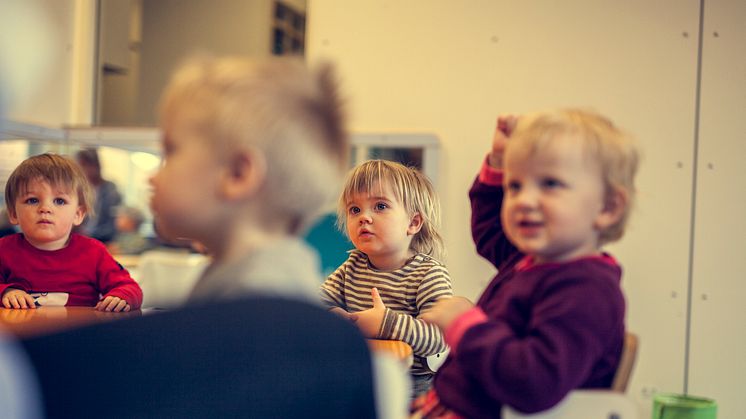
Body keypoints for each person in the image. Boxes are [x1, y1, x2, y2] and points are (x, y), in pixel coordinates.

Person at [414, 109, 640, 418]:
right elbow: (491, 231)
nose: (524, 200)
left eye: (549, 183)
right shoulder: (532, 261)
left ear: (608, 207)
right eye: (515, 185)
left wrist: (464, 326)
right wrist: (497, 163)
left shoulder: (587, 289)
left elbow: (534, 383)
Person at [320, 159, 453, 398]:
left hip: (412, 389)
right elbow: (314, 304)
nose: (364, 217)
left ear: (413, 223)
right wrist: (332, 316)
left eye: (380, 206)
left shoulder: (428, 274)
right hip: (361, 377)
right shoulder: (353, 266)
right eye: (355, 209)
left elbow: (438, 338)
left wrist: (385, 323)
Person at [0, 153, 142, 312]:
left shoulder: (94, 252)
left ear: (78, 214)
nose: (45, 208)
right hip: (21, 334)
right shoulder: (3, 250)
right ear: (13, 213)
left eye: (59, 201)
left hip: (78, 335)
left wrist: (120, 296)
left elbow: (129, 287)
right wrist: (6, 291)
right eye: (32, 200)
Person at [75, 148, 122, 243]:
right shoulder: (78, 189)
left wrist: (91, 234)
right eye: (80, 165)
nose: (83, 170)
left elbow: (114, 222)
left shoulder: (110, 190)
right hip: (82, 239)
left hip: (105, 240)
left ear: (96, 166)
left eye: (85, 165)